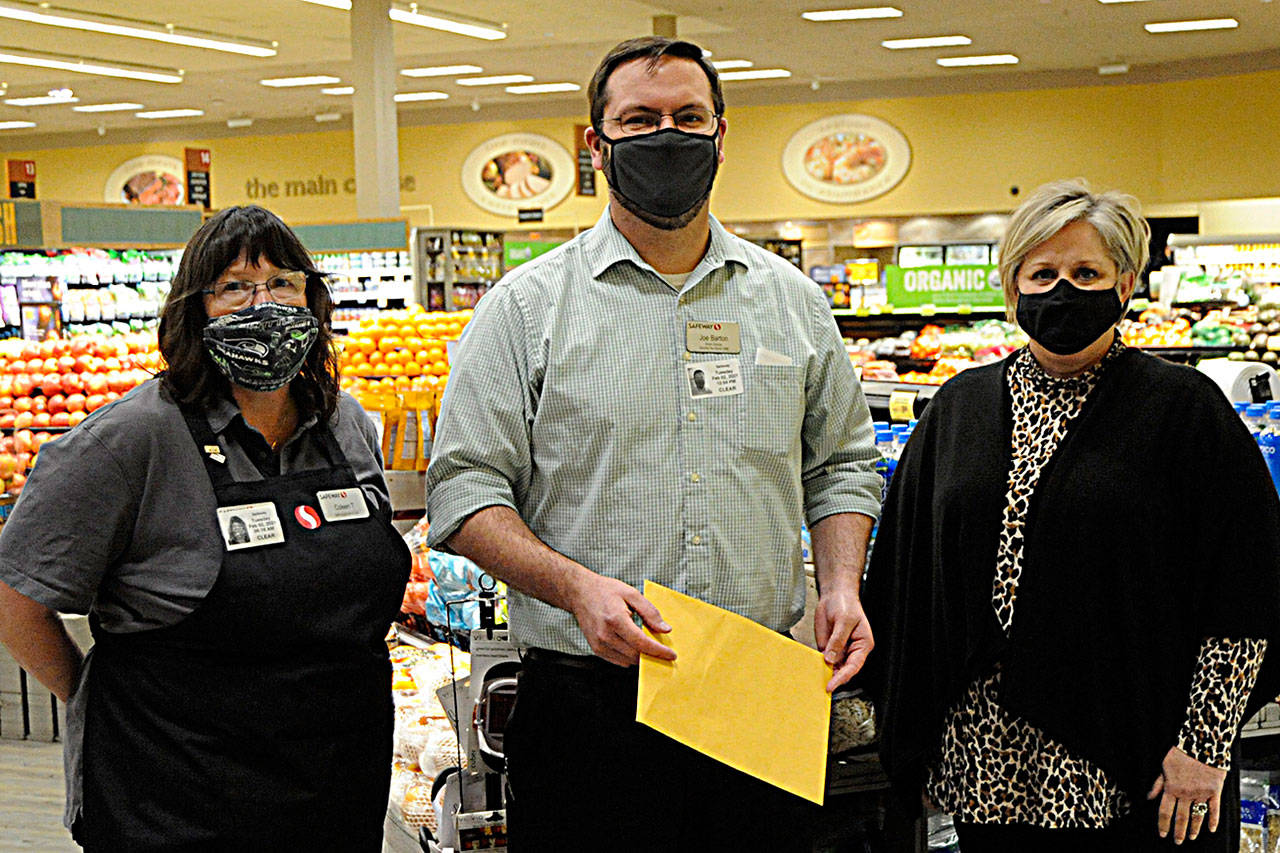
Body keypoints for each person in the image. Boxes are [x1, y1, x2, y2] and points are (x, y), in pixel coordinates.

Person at [425, 35, 882, 850]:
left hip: (757, 686)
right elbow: (464, 491)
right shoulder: (525, 308)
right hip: (589, 699)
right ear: (596, 145)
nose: (667, 136)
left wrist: (841, 584)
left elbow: (842, 463)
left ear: (720, 135)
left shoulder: (793, 302)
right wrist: (574, 588)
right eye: (639, 120)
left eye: (688, 117)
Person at [862, 179, 1280, 852]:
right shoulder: (958, 408)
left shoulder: (1183, 410)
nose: (1062, 291)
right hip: (985, 761)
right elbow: (906, 578)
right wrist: (916, 733)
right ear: (1013, 286)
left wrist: (1204, 747)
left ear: (1125, 284)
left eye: (1086, 273)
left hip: (1136, 762)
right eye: (1043, 274)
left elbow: (1245, 589)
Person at [0, 205, 410, 851]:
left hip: (336, 778)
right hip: (177, 790)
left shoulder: (345, 426)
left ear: (313, 300)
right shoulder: (130, 438)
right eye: (234, 287)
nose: (263, 304)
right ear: (194, 310)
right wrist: (89, 696)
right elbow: (14, 596)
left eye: (282, 283)